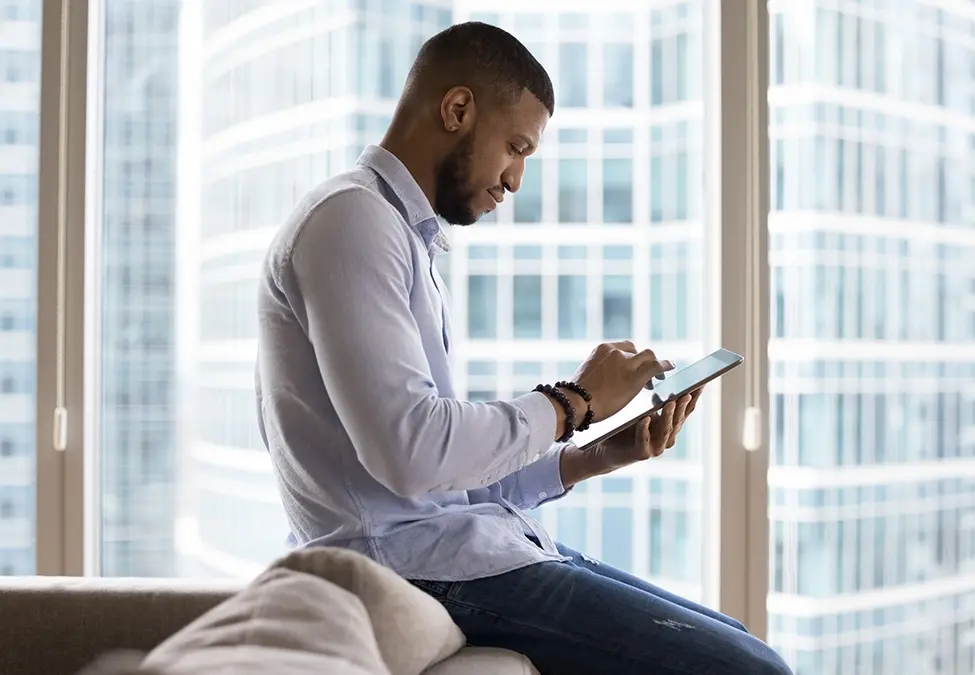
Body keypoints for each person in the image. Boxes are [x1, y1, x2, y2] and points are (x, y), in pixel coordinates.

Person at [255, 20, 792, 675]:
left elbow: (446, 476)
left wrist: (594, 452)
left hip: (455, 548)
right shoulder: (352, 221)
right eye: (515, 146)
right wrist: (576, 399)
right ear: (457, 109)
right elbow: (411, 449)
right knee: (752, 670)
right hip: (413, 564)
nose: (514, 181)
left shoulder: (399, 236)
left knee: (741, 641)